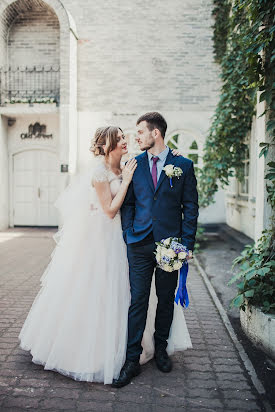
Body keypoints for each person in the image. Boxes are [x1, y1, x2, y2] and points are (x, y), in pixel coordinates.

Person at [18, 125, 192, 385]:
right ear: (107, 144)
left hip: (127, 239)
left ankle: (137, 346)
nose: (125, 141)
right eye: (120, 138)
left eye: (125, 137)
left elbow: (155, 166)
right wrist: (127, 181)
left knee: (127, 293)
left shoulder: (127, 165)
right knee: (101, 292)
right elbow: (110, 210)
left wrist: (172, 155)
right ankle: (96, 350)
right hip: (102, 236)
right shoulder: (99, 173)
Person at [112, 112, 199, 388]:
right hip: (138, 244)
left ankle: (161, 350)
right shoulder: (133, 164)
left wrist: (185, 245)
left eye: (140, 132)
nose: (136, 137)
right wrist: (128, 234)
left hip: (169, 246)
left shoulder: (182, 165)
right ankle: (131, 360)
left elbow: (191, 208)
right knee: (137, 300)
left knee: (164, 299)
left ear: (156, 133)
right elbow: (128, 204)